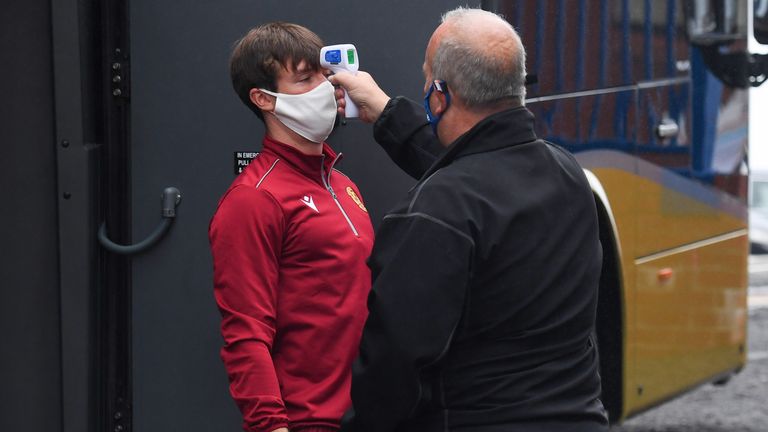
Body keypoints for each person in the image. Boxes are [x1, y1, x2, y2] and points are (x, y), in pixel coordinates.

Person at [330, 7, 609, 432]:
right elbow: (482, 171)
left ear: (438, 95)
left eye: (427, 79)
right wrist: (388, 114)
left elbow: (392, 373)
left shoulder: (434, 212)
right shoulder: (568, 175)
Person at [209, 22, 374, 432]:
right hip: (307, 422)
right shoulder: (254, 199)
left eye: (323, 74)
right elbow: (245, 335)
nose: (326, 87)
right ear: (264, 98)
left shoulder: (342, 183)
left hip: (366, 414)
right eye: (305, 79)